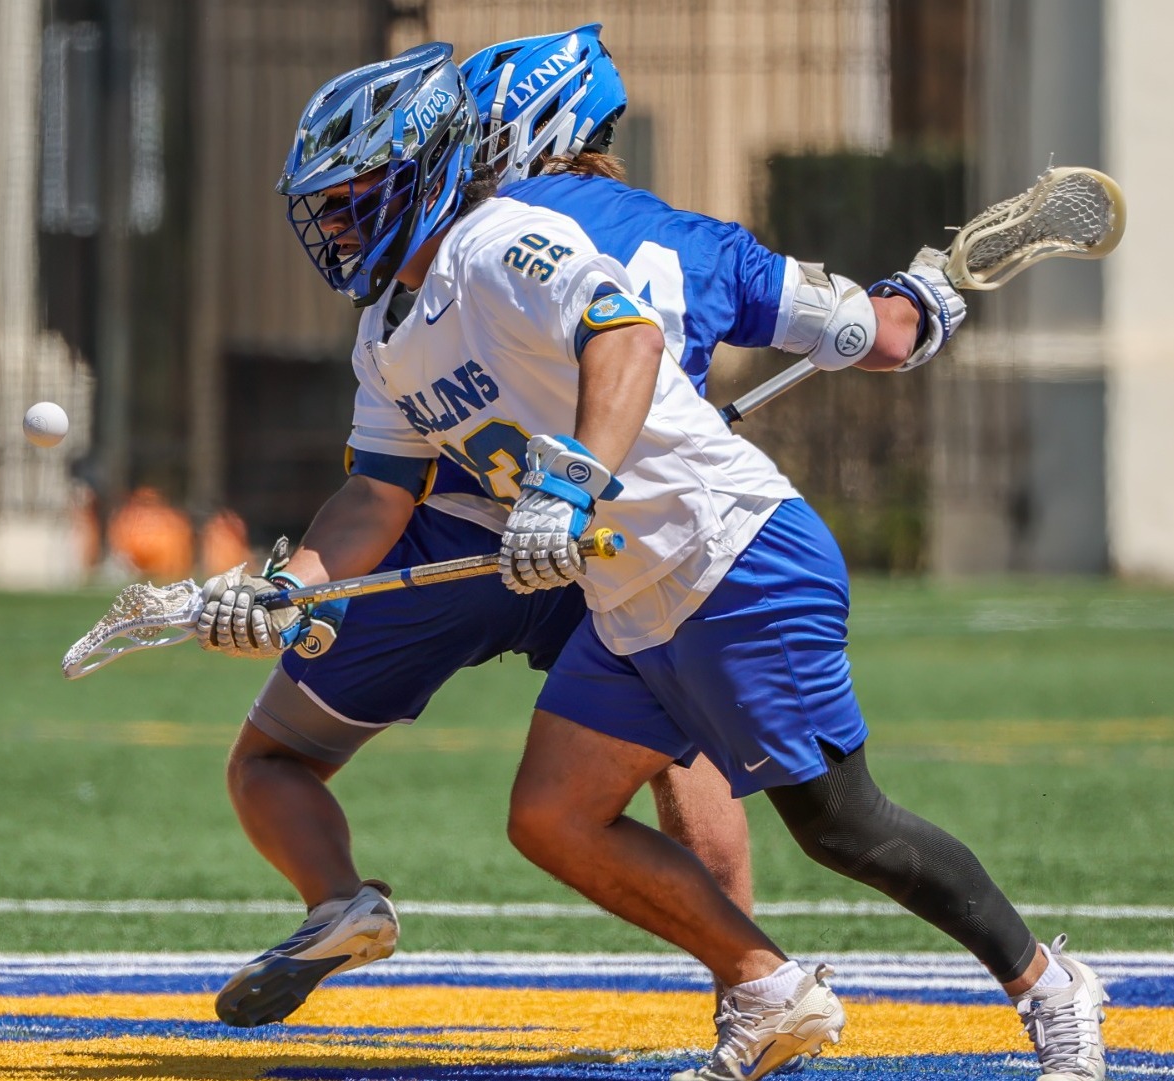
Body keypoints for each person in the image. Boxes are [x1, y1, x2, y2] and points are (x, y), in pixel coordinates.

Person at [210, 40, 1110, 1081]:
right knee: (553, 817)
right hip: (628, 595)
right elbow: (375, 493)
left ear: (425, 171)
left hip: (734, 556)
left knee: (843, 827)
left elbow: (627, 339)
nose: (333, 225)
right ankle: (768, 991)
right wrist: (287, 587)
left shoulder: (501, 243)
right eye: (325, 206)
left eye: (353, 196)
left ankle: (1049, 984)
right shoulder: (384, 332)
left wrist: (567, 482)